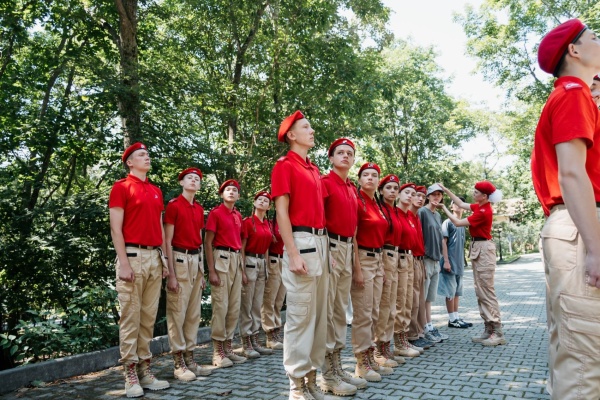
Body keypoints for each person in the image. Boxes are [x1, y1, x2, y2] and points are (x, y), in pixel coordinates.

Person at [532, 19, 600, 399]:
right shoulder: (574, 94)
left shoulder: (571, 95)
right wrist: (595, 248)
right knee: (585, 362)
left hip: (570, 226)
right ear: (574, 50)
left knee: (572, 351)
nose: (599, 41)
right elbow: (572, 174)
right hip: (580, 226)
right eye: (594, 37)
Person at [271, 110, 329, 400]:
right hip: (301, 240)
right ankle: (296, 384)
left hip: (321, 242)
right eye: (306, 127)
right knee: (300, 315)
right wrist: (292, 253)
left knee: (318, 317)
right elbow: (281, 212)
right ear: (291, 135)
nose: (312, 130)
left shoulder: (314, 169)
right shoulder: (284, 165)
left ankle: (311, 378)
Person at [109, 142, 170, 398]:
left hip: (154, 257)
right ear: (129, 162)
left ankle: (145, 370)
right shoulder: (121, 187)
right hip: (132, 256)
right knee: (130, 317)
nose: (147, 157)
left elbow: (159, 227)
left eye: (148, 153)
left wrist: (164, 261)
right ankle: (130, 373)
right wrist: (123, 263)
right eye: (141, 154)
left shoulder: (156, 191)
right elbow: (115, 228)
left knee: (148, 318)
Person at [320, 138, 365, 395]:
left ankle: (337, 367)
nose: (345, 156)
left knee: (340, 311)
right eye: (340, 152)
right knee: (329, 310)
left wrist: (355, 263)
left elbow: (355, 229)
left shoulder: (351, 188)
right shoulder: (325, 183)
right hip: (331, 246)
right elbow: (318, 219)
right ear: (331, 157)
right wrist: (326, 251)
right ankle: (327, 374)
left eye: (350, 153)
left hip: (347, 248)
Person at [436, 181, 505, 347]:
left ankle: (497, 332)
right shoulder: (479, 206)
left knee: (487, 291)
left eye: (476, 192)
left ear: (484, 196)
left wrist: (444, 208)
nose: (473, 194)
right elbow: (460, 204)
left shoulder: (484, 211)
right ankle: (488, 329)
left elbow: (458, 222)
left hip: (484, 249)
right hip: (478, 247)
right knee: (480, 291)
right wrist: (446, 189)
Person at [164, 167, 212, 381]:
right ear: (181, 183)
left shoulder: (199, 209)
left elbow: (200, 241)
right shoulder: (174, 205)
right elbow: (167, 240)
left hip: (195, 261)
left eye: (197, 179)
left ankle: (190, 358)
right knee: (177, 312)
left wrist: (202, 271)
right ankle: (178, 362)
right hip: (179, 259)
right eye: (189, 178)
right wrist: (171, 274)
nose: (193, 181)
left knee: (193, 314)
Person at [351, 162, 393, 383]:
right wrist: (357, 268)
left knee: (374, 312)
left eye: (374, 175)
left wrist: (382, 267)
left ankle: (370, 356)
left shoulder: (376, 204)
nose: (370, 178)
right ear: (359, 180)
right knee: (363, 314)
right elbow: (353, 237)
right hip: (363, 259)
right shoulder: (357, 201)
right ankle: (361, 362)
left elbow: (381, 238)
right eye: (366, 174)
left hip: (377, 260)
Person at [205, 179, 247, 368]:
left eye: (234, 190)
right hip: (221, 258)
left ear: (238, 196)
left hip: (236, 260)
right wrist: (211, 270)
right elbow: (208, 242)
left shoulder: (238, 215)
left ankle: (228, 347)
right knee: (220, 306)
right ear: (222, 194)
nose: (231, 192)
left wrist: (242, 270)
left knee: (234, 306)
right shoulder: (216, 213)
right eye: (227, 190)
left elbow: (240, 242)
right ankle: (217, 352)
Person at [238, 191, 274, 359]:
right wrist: (242, 270)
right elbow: (242, 247)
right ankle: (246, 342)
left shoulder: (267, 224)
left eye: (266, 200)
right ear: (254, 202)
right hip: (250, 261)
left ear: (269, 206)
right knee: (247, 303)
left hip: (261, 263)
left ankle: (255, 339)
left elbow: (267, 247)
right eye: (259, 199)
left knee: (257, 304)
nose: (262, 202)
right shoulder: (248, 222)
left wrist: (266, 267)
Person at [393, 182, 423, 358]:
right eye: (407, 192)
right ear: (399, 194)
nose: (410, 196)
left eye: (413, 193)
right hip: (398, 257)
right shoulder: (395, 213)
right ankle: (398, 341)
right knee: (399, 301)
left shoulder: (409, 216)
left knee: (407, 302)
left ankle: (403, 339)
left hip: (410, 258)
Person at [417, 184, 448, 343]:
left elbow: (440, 239)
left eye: (439, 194)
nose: (436, 197)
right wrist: (420, 259)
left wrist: (442, 259)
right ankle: (422, 329)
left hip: (436, 261)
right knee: (422, 298)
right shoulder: (422, 212)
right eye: (433, 194)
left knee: (429, 298)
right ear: (428, 196)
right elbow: (418, 236)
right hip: (425, 259)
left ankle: (429, 326)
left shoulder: (437, 215)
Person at [406, 186, 434, 350]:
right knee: (412, 301)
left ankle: (419, 332)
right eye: (417, 195)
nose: (420, 199)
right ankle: (412, 335)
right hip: (410, 259)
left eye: (423, 197)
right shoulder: (407, 215)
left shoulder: (416, 216)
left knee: (420, 300)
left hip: (420, 260)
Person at [437, 197, 471, 329]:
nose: (458, 206)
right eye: (455, 203)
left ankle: (456, 317)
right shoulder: (448, 222)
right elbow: (443, 242)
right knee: (450, 292)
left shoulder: (462, 224)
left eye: (460, 204)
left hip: (459, 264)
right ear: (451, 207)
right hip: (449, 263)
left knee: (457, 292)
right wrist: (446, 261)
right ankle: (451, 319)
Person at [261, 213, 286, 350]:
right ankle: (270, 335)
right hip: (273, 261)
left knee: (279, 300)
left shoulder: (288, 222)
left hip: (285, 261)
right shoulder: (270, 223)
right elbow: (265, 245)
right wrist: (266, 266)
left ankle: (276, 331)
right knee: (269, 300)